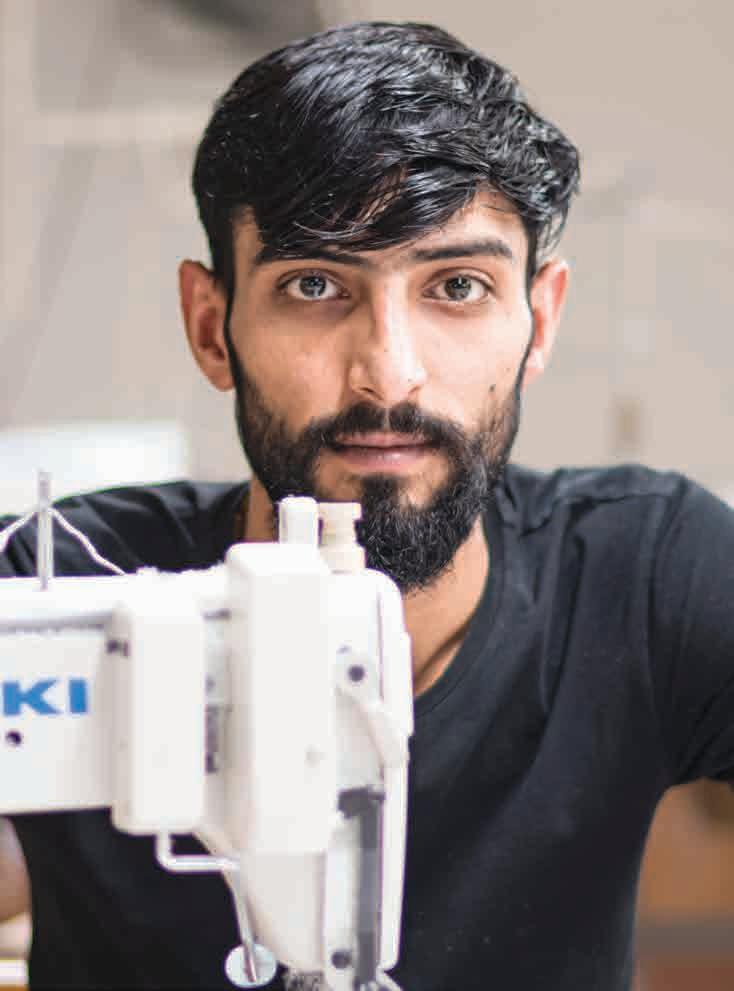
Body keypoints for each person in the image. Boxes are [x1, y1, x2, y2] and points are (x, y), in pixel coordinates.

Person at [1, 19, 733, 991]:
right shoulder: (55, 582)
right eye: (314, 284)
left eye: (457, 286)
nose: (387, 372)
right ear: (212, 328)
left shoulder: (647, 577)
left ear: (538, 321)